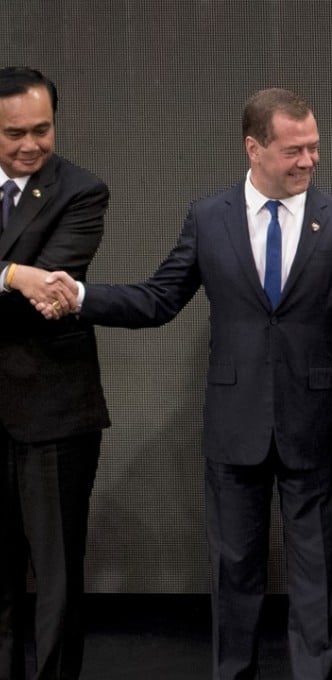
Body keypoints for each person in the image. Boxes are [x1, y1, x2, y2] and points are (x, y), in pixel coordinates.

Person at [38, 87, 332, 680]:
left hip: (311, 421)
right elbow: (159, 298)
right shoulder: (208, 217)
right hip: (234, 422)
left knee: (318, 572)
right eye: (293, 149)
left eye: (314, 147)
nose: (309, 160)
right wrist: (83, 297)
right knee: (233, 570)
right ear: (254, 149)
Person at [0, 66, 110, 680]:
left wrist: (23, 285)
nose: (30, 145)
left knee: (57, 572)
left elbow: (49, 296)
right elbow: (24, 286)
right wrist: (13, 274)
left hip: (52, 409)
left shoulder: (81, 191)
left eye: (42, 129)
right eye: (14, 133)